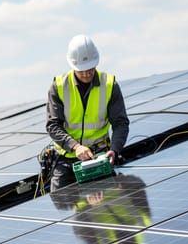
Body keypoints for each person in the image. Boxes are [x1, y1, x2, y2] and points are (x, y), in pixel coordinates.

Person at [45, 34, 130, 191]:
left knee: (102, 209)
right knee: (61, 205)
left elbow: (120, 123)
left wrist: (115, 149)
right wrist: (76, 147)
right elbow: (53, 126)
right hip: (66, 160)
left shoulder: (109, 85)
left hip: (100, 158)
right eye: (81, 70)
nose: (86, 74)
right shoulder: (58, 87)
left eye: (90, 69)